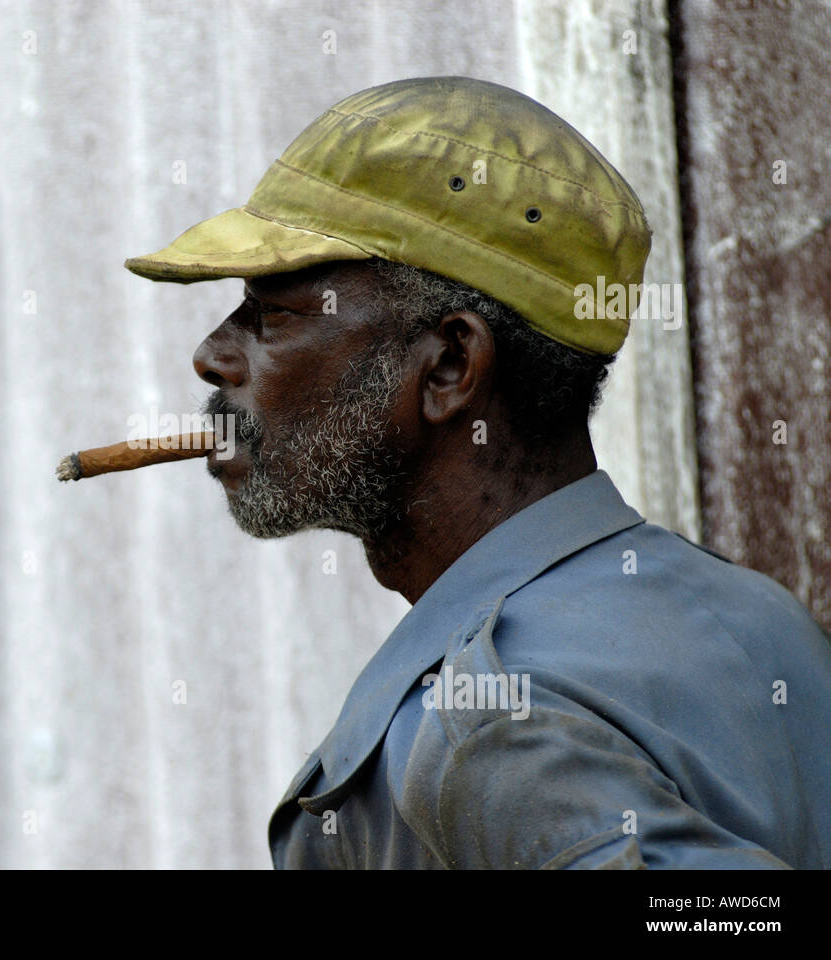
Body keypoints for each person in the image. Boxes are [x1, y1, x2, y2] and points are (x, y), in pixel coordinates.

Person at [123, 77, 831, 869]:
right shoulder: (760, 623)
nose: (212, 356)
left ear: (451, 364)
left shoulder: (487, 727)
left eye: (273, 316)